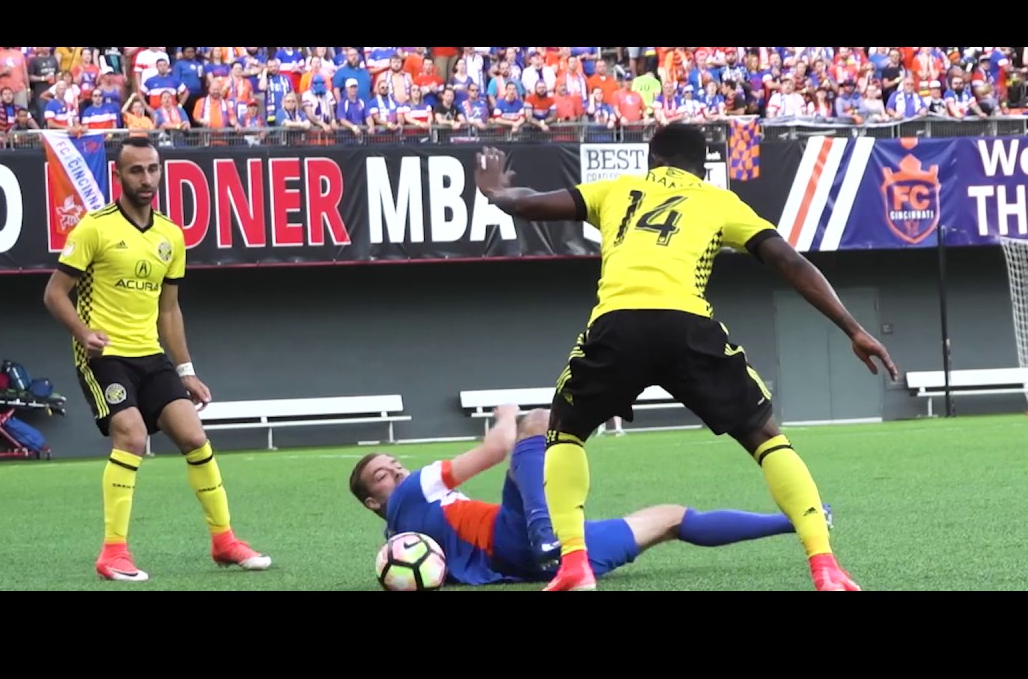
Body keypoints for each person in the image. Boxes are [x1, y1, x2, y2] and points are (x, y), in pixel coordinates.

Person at [473, 124, 897, 592]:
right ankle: (825, 567)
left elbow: (530, 203)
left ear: (652, 158)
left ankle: (574, 565)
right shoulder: (719, 201)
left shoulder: (618, 189)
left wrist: (496, 191)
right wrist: (853, 329)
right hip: (687, 325)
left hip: (618, 323)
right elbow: (789, 261)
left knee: (564, 433)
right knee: (766, 438)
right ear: (703, 164)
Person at [43, 135, 270, 582]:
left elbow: (170, 310)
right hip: (105, 357)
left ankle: (224, 541)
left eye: (152, 169)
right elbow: (54, 293)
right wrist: (83, 332)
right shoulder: (94, 227)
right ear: (119, 175)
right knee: (129, 434)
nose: (146, 179)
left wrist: (185, 370)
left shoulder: (171, 235)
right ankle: (113, 553)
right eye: (136, 170)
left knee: (194, 436)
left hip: (152, 356)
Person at [349, 407, 827, 588]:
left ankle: (799, 522)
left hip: (531, 566)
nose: (394, 469)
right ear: (373, 504)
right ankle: (541, 526)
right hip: (519, 539)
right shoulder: (414, 492)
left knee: (670, 519)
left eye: (391, 462)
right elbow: (498, 447)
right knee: (535, 423)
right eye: (380, 476)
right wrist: (504, 414)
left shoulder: (402, 545)